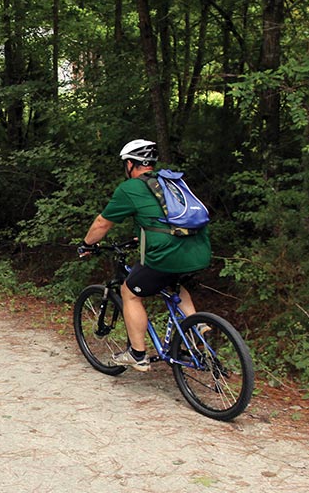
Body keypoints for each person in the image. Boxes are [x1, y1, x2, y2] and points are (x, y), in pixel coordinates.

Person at [78, 139, 212, 371]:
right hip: (199, 249)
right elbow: (168, 218)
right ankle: (198, 327)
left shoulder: (130, 188)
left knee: (129, 292)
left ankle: (137, 354)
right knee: (175, 284)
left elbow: (102, 223)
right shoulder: (169, 181)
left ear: (130, 164)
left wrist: (87, 244)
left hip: (167, 254)